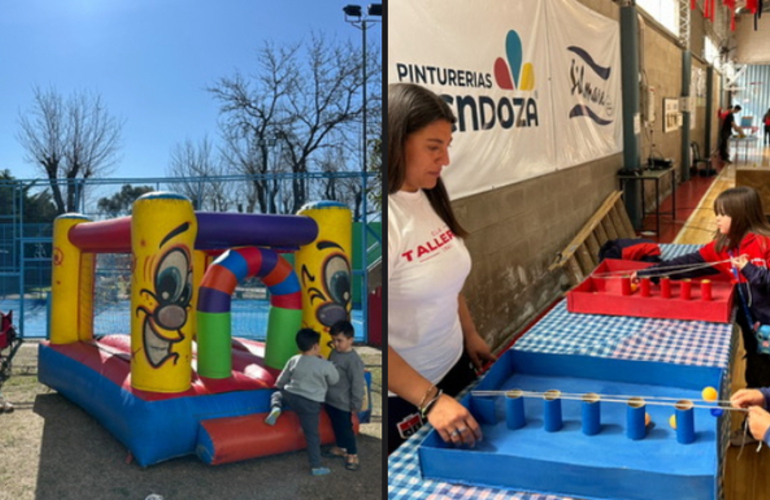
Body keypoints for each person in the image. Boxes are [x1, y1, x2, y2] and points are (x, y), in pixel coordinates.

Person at [387, 82, 497, 455]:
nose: (445, 160)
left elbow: (448, 282)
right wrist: (429, 400)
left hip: (454, 369)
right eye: (434, 147)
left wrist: (470, 335)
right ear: (394, 141)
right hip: (408, 398)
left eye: (447, 146)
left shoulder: (429, 193)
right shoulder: (382, 219)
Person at [633, 186, 770, 444]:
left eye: (723, 214)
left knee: (765, 375)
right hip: (755, 328)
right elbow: (689, 263)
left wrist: (751, 270)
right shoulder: (723, 246)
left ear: (741, 215)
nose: (717, 219)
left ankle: (760, 429)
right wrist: (650, 273)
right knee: (756, 372)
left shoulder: (764, 244)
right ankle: (753, 429)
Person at [265, 328, 339, 475]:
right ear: (316, 346)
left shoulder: (294, 359)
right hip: (310, 403)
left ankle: (276, 408)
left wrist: (280, 388)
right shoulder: (324, 365)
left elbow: (281, 381)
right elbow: (334, 380)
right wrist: (327, 364)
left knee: (277, 395)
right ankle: (316, 466)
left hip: (291, 396)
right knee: (312, 435)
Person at [323, 320, 365, 471]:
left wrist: (356, 403)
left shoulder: (353, 361)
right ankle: (341, 448)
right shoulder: (334, 353)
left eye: (339, 340)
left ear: (350, 340)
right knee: (336, 425)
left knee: (346, 428)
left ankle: (353, 454)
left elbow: (357, 384)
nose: (335, 344)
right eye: (333, 340)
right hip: (330, 399)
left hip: (343, 402)